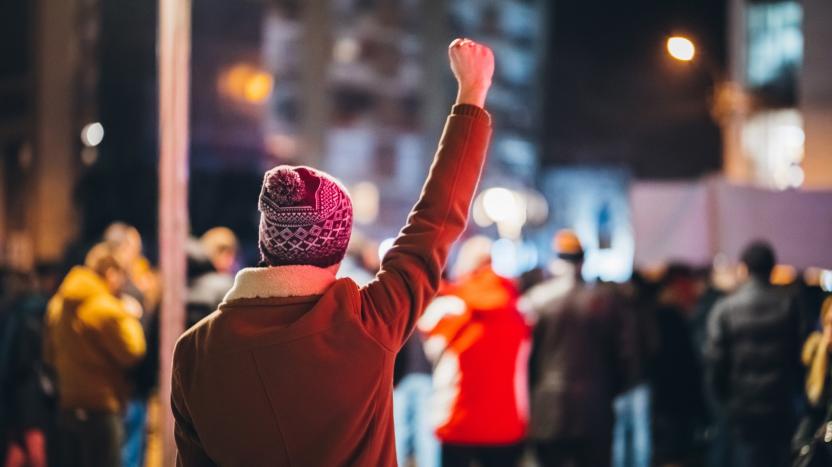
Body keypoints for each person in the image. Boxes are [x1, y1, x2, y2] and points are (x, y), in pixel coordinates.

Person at [171, 38, 494, 466]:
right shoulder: (367, 322)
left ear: (267, 242)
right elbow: (436, 220)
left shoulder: (195, 351)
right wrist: (471, 93)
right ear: (337, 252)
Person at [521, 229, 637, 467]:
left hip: (548, 408)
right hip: (595, 406)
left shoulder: (535, 301)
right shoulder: (606, 301)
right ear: (582, 260)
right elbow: (625, 356)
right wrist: (612, 390)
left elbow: (524, 360)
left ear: (556, 260)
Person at [417, 236, 530, 467]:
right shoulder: (518, 308)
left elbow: (427, 345)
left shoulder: (451, 307)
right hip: (506, 423)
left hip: (458, 421)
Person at [44, 243, 146, 467]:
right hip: (101, 408)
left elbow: (49, 355)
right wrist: (130, 315)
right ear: (110, 273)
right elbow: (134, 350)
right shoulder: (105, 307)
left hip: (67, 406)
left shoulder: (57, 304)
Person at [704, 240, 801, 467]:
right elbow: (797, 358)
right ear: (773, 269)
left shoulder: (725, 308)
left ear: (744, 268)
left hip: (742, 408)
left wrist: (723, 402)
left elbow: (715, 362)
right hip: (780, 404)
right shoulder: (788, 305)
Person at [649, 264, 707, 467]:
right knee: (674, 451)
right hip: (674, 397)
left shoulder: (663, 313)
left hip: (668, 397)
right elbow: (681, 361)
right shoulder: (669, 315)